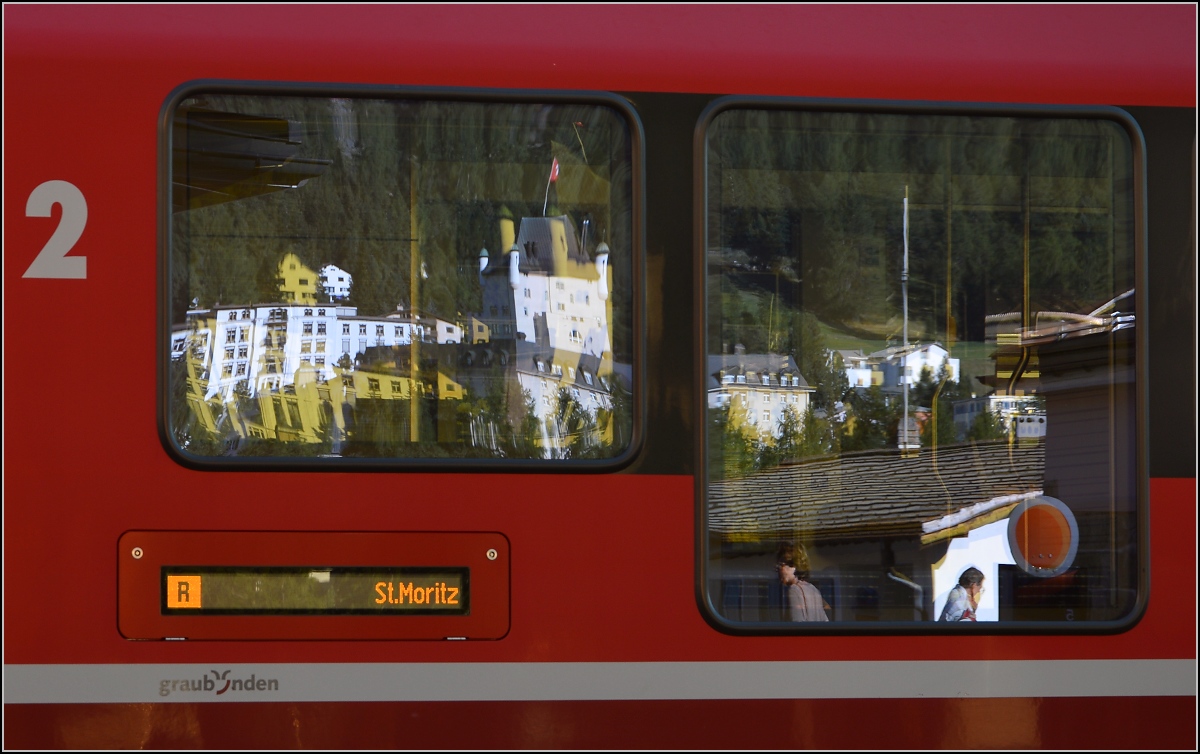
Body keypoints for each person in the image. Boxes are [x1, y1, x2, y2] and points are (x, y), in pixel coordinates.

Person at [776, 542, 830, 622]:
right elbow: (825, 620)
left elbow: (796, 625)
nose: (779, 570)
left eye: (781, 565)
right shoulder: (813, 589)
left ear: (793, 566)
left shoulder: (794, 590)